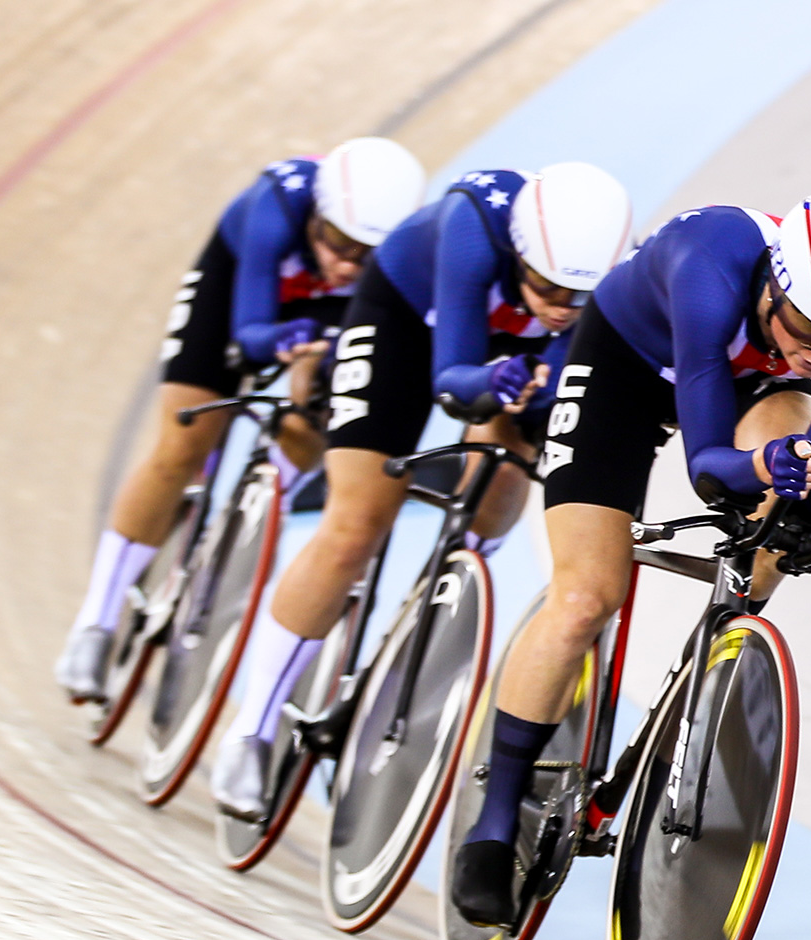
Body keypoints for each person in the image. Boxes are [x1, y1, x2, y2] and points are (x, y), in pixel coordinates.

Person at [448, 191, 811, 927]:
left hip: (754, 389)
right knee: (584, 600)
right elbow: (710, 464)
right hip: (624, 371)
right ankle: (494, 817)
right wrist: (770, 465)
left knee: (779, 526)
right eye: (801, 327)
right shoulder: (712, 264)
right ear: (774, 284)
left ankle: (710, 662)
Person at [208, 161, 634, 818]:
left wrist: (544, 381)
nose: (560, 308)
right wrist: (497, 380)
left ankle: (449, 580)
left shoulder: (604, 278)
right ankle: (252, 731)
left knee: (506, 469)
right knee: (354, 526)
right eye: (549, 287)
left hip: (510, 351)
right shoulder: (471, 231)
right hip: (406, 322)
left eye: (579, 297)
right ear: (521, 254)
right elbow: (453, 380)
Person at [55, 138, 427, 702]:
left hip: (329, 312)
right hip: (239, 289)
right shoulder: (276, 205)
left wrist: (317, 361)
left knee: (318, 408)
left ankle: (264, 496)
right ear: (317, 216)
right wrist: (280, 339)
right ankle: (96, 621)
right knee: (183, 442)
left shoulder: (385, 264)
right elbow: (250, 336)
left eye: (365, 254)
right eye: (337, 242)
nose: (346, 263)